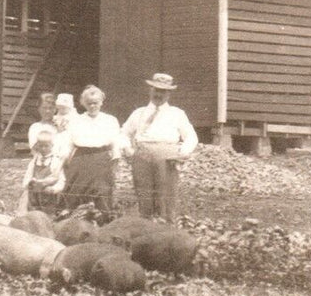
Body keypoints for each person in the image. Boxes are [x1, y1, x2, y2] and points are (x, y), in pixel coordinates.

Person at [121, 72, 198, 221]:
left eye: (163, 91)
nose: (159, 94)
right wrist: (127, 149)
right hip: (142, 156)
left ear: (169, 93)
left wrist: (182, 153)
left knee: (166, 197)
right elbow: (124, 133)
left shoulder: (177, 114)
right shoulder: (139, 113)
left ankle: (166, 229)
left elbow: (191, 137)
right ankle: (145, 227)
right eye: (156, 90)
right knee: (143, 194)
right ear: (150, 90)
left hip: (167, 158)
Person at [61, 85, 123, 215]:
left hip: (102, 158)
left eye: (95, 103)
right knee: (75, 190)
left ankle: (105, 218)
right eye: (89, 103)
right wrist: (65, 159)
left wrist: (116, 157)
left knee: (102, 190)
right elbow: (69, 142)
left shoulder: (110, 120)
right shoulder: (76, 121)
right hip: (81, 158)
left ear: (101, 102)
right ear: (83, 103)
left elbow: (115, 141)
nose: (93, 106)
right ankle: (73, 218)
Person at [17, 128, 66, 214]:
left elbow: (61, 180)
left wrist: (54, 189)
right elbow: (28, 176)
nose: (43, 149)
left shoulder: (55, 161)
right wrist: (29, 183)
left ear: (52, 145)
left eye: (46, 146)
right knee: (32, 216)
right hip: (34, 197)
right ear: (37, 146)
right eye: (41, 146)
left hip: (49, 197)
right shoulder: (35, 161)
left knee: (47, 217)